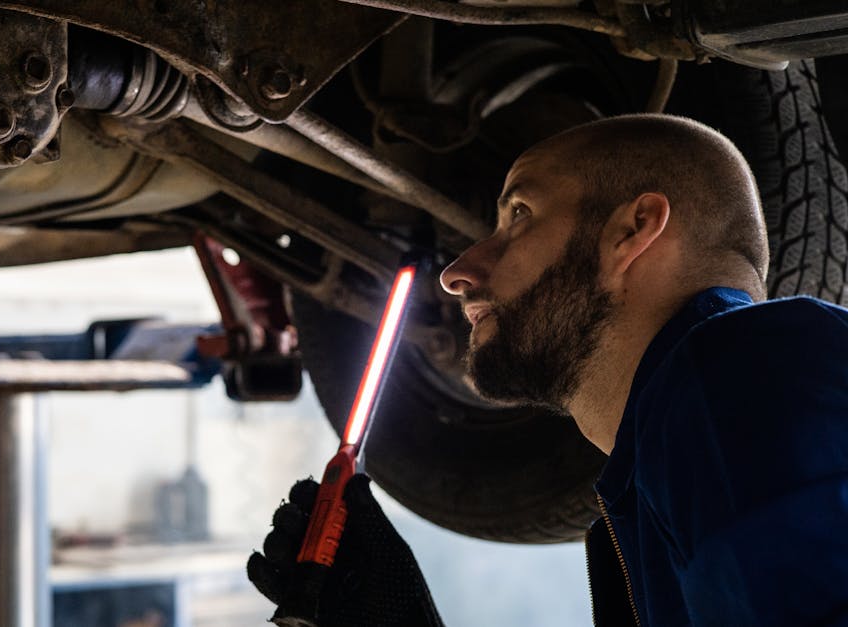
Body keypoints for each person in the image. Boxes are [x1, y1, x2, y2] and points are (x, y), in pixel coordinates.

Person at [247, 113, 848, 626]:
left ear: (633, 230)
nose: (457, 273)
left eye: (519, 213)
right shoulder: (659, 477)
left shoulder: (743, 375)